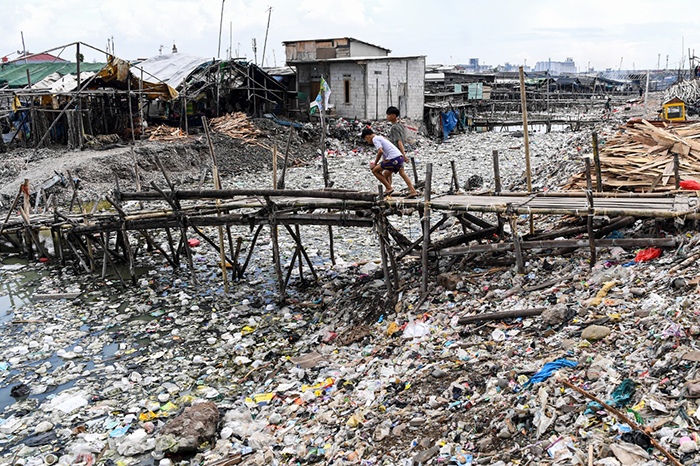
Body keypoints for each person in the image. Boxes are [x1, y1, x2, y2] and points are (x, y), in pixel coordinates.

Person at [361, 128, 418, 198]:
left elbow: (380, 151)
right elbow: (384, 157)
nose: (368, 142)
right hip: (400, 157)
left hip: (393, 158)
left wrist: (375, 164)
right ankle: (413, 191)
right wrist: (381, 166)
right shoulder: (381, 138)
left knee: (374, 171)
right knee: (388, 174)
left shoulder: (375, 139)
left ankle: (389, 188)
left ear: (367, 137)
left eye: (366, 140)